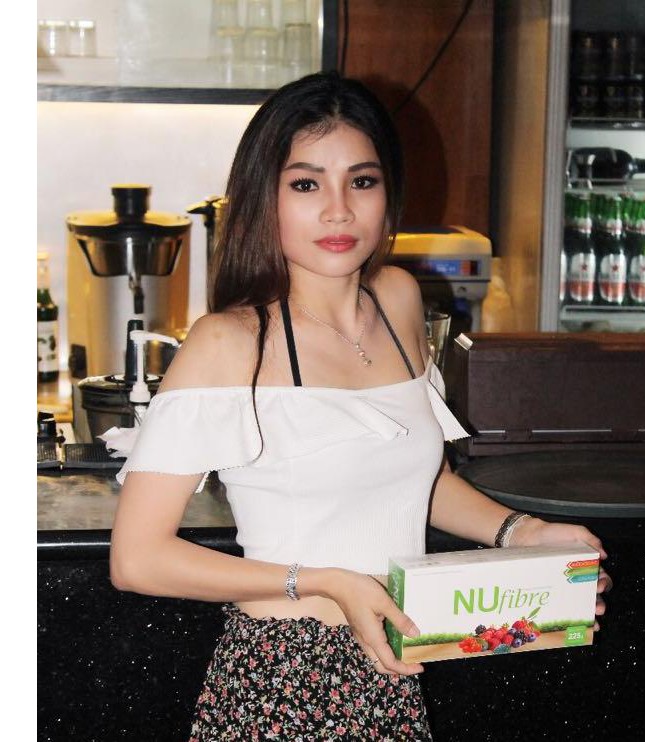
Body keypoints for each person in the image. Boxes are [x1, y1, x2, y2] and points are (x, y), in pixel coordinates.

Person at [110, 71, 611, 740]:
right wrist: (326, 582)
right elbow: (137, 559)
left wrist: (521, 532)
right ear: (264, 198)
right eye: (306, 184)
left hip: (393, 665)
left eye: (362, 181)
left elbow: (413, 476)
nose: (339, 211)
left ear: (387, 193)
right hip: (284, 679)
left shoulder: (397, 299)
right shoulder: (229, 341)